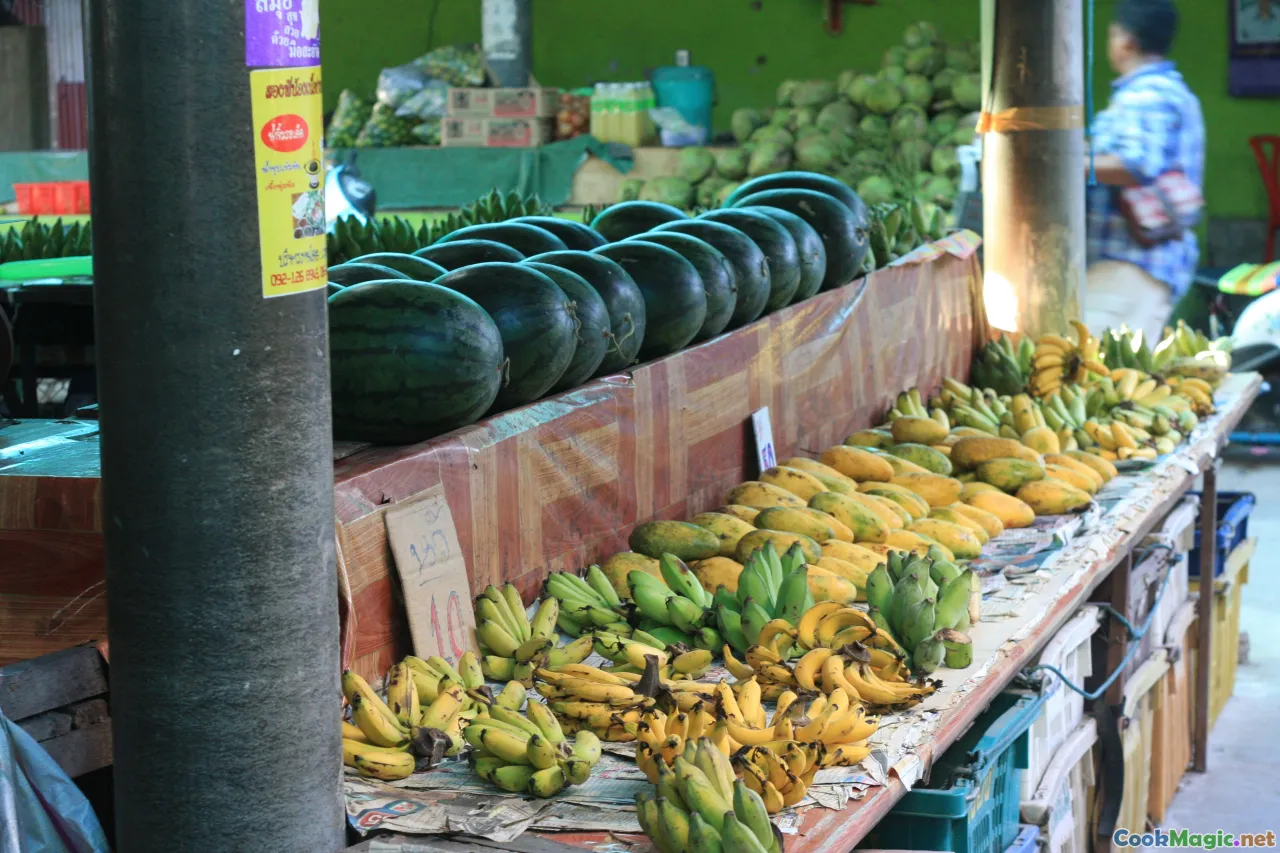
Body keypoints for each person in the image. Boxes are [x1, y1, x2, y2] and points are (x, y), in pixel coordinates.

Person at [1085, 0, 1205, 344]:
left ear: (1125, 40)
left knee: (1097, 376)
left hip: (1132, 263)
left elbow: (1135, 164)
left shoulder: (1147, 94)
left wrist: (1058, 162)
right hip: (1128, 267)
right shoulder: (1161, 91)